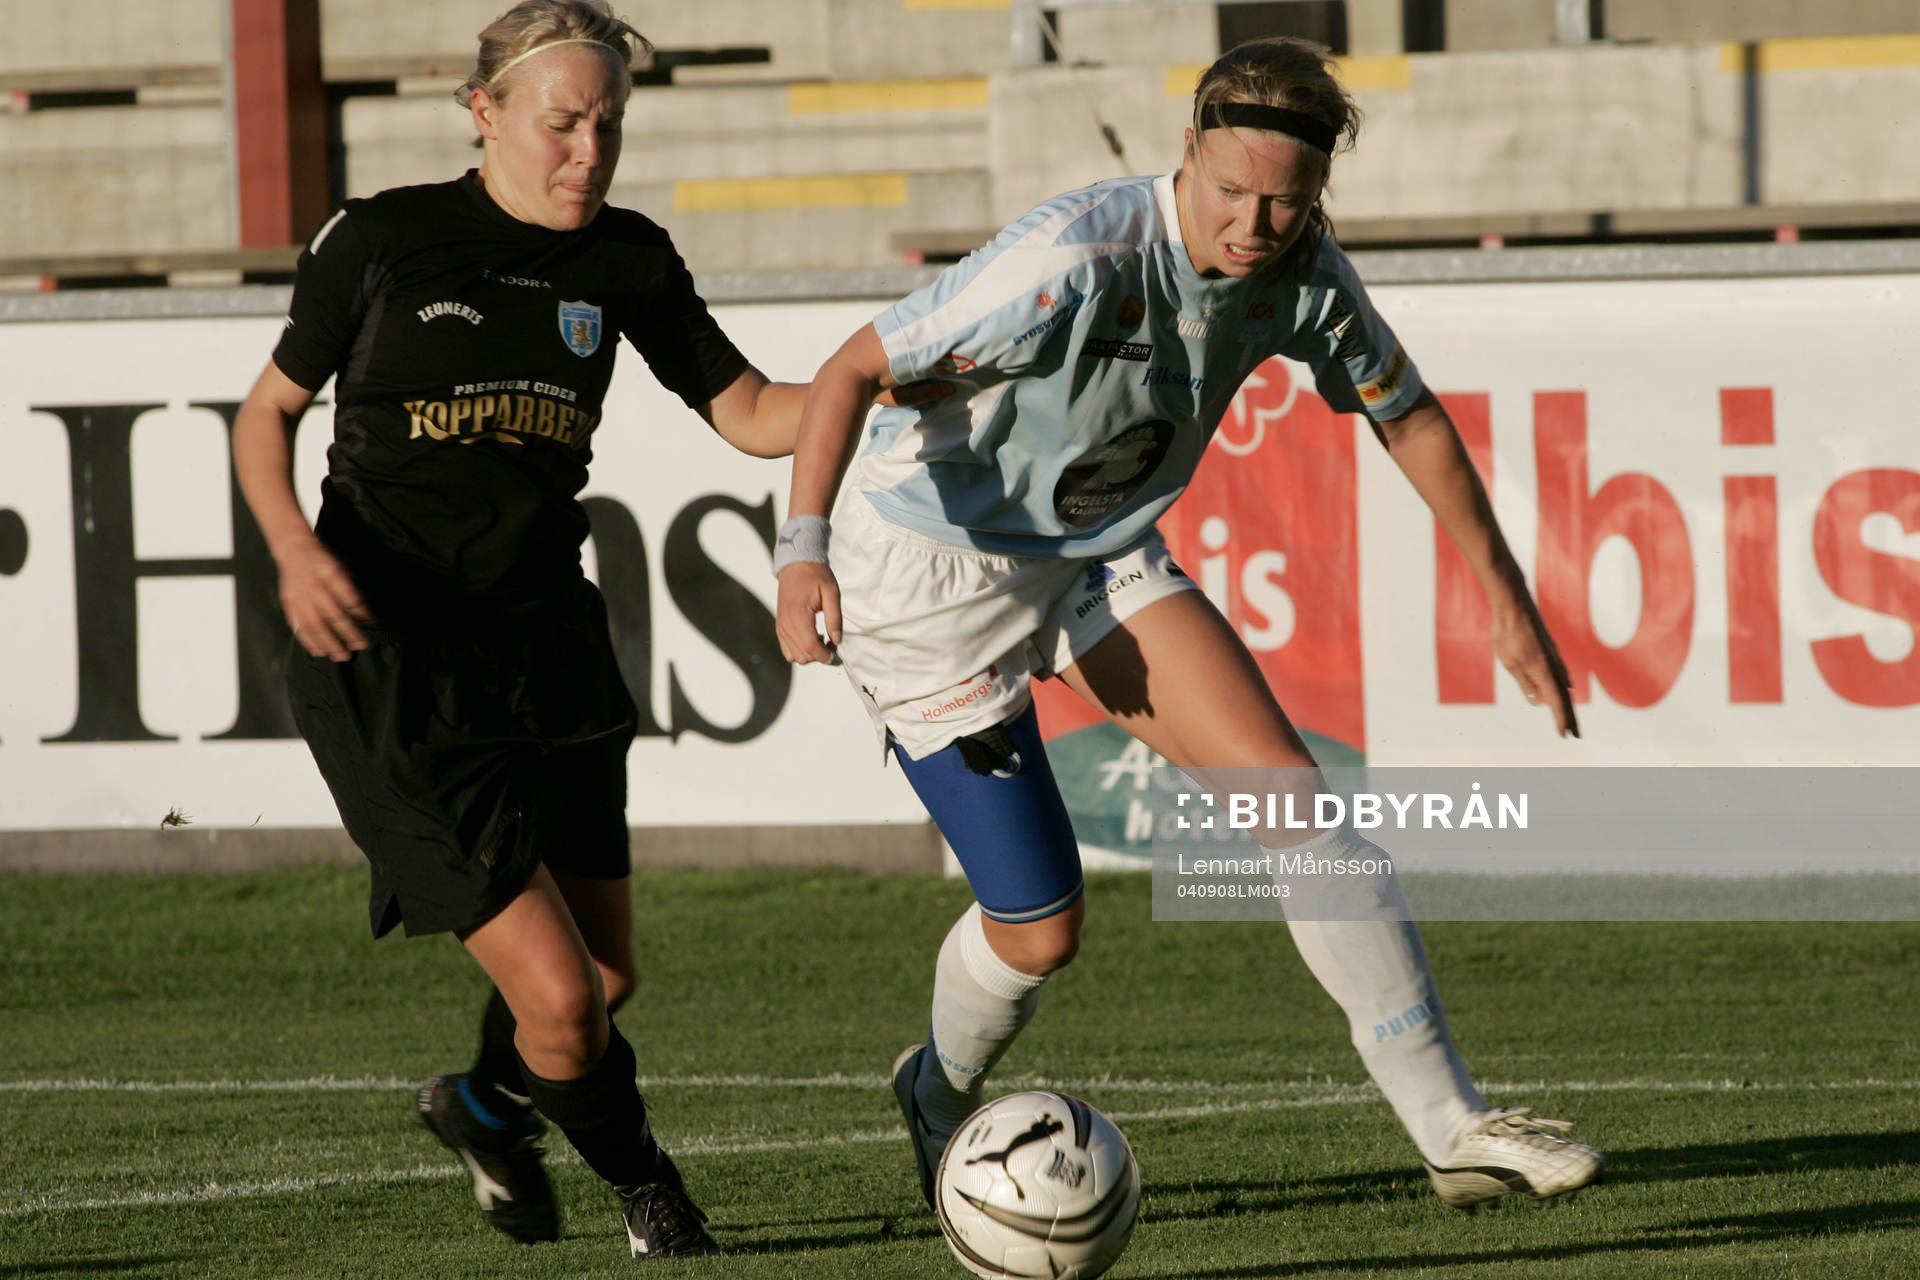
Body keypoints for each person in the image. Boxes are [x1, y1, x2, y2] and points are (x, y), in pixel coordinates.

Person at [774, 36, 1604, 1213]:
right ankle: (936, 1091)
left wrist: (1507, 602)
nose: (1255, 223)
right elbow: (851, 366)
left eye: (1286, 199)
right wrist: (799, 553)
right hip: (925, 582)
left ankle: (1453, 1128)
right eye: (1231, 190)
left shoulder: (1306, 268)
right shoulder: (1078, 251)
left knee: (1301, 807)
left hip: (1095, 554)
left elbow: (1408, 415)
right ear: (1187, 154)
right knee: (1042, 929)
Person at [229, 0, 915, 1259]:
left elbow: (756, 410)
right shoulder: (385, 240)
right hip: (394, 663)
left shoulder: (626, 260)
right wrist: (291, 550)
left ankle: (486, 1104)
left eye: (608, 125)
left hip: (550, 645)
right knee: (560, 997)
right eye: (561, 123)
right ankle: (654, 1195)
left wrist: (894, 370)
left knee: (601, 987)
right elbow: (265, 413)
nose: (586, 153)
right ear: (484, 112)